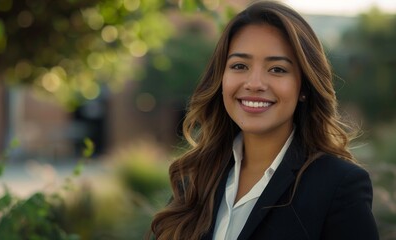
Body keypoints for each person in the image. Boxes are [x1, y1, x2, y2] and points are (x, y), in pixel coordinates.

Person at [148, 1, 379, 239]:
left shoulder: (337, 185)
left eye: (277, 69)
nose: (254, 83)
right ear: (221, 79)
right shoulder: (196, 176)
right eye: (239, 66)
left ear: (304, 87)